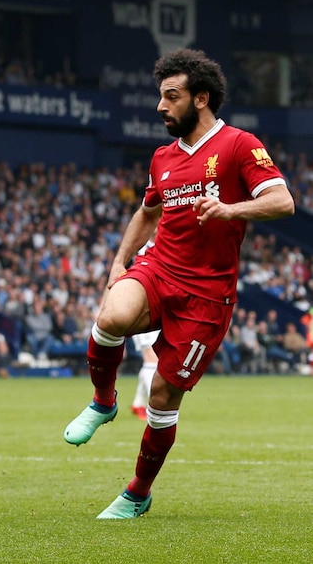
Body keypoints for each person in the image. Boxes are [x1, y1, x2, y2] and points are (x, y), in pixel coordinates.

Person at [62, 48, 295, 518]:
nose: (161, 107)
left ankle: (137, 493)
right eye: (161, 97)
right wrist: (119, 262)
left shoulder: (238, 145)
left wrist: (232, 208)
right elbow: (147, 212)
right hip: (159, 268)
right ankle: (103, 401)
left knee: (163, 398)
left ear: (201, 99)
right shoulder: (162, 157)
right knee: (111, 317)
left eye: (172, 97)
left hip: (208, 295)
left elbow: (282, 200)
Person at [129, 330, 159, 420]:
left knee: (153, 361)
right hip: (146, 320)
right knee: (152, 358)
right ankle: (156, 405)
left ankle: (138, 404)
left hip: (157, 321)